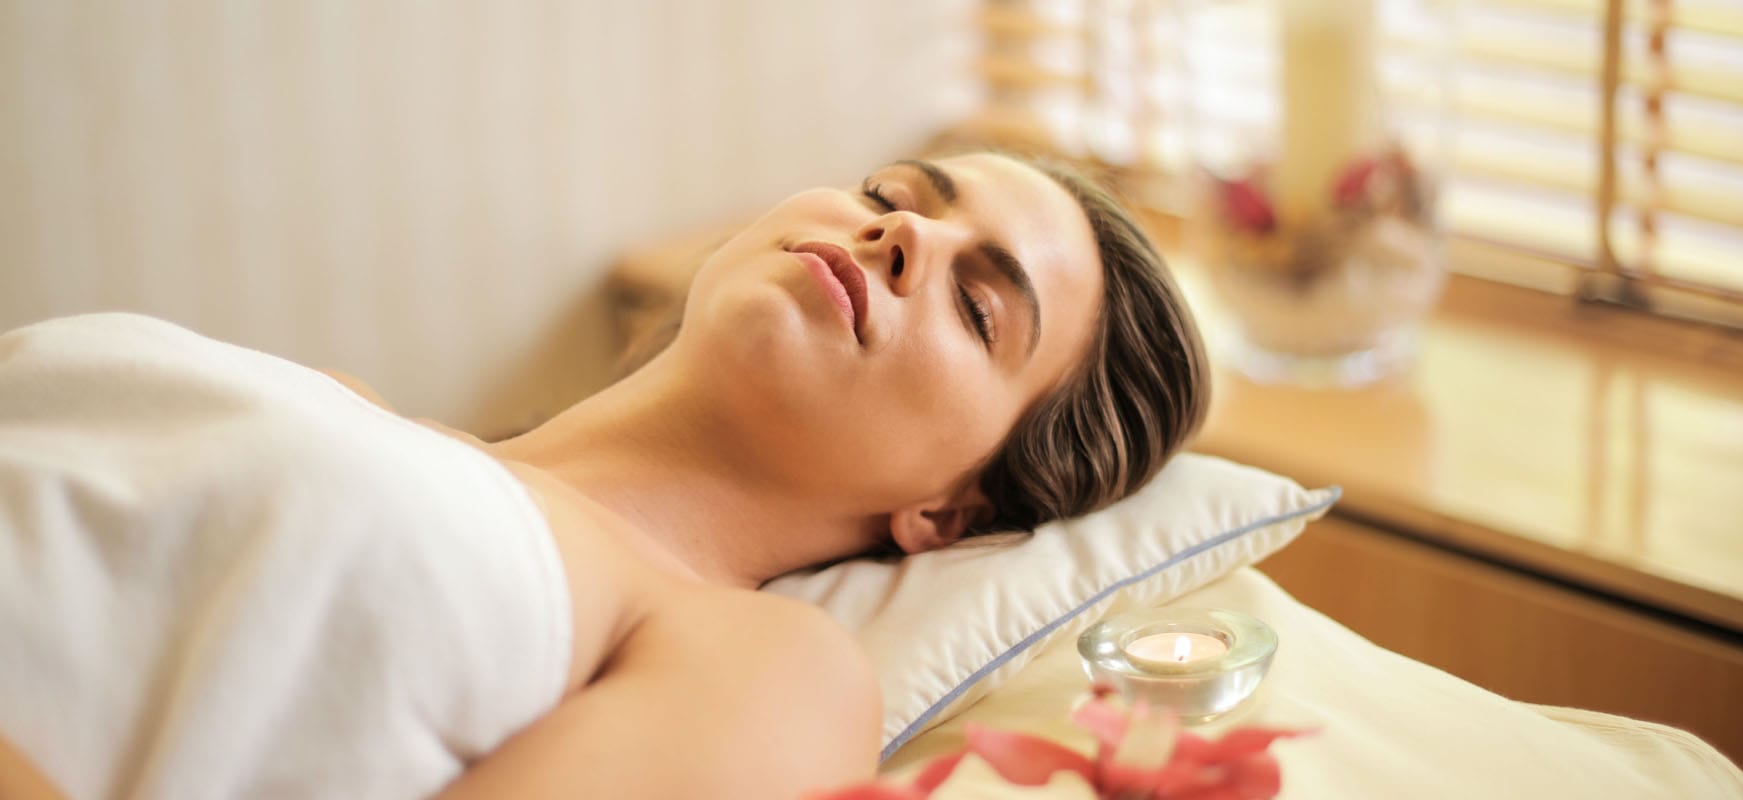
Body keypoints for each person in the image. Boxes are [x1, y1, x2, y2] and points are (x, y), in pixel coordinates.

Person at [0, 152, 1206, 799]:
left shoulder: (763, 665)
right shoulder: (345, 407)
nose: (904, 237)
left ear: (951, 510)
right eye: (895, 194)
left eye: (978, 303)